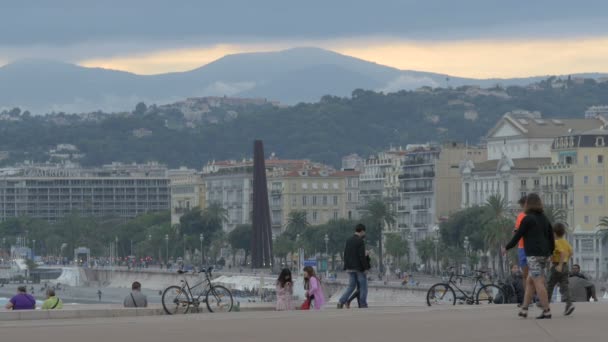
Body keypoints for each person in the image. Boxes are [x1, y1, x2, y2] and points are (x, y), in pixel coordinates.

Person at [505, 193, 554, 319]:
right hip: (543, 254)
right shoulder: (544, 218)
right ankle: (524, 309)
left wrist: (506, 247)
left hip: (533, 255)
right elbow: (551, 237)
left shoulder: (527, 219)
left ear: (527, 204)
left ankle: (547, 310)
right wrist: (551, 252)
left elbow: (518, 235)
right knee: (530, 281)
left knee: (538, 282)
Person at [337, 224, 370, 309]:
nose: (364, 234)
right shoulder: (360, 241)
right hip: (359, 268)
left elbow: (346, 254)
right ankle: (363, 304)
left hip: (350, 267)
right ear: (362, 231)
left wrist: (346, 266)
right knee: (363, 286)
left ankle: (341, 301)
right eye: (364, 232)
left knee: (351, 286)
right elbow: (361, 256)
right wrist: (366, 268)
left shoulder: (348, 240)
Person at [546, 222, 575, 315]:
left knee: (550, 285)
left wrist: (559, 265)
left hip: (557, 265)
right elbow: (570, 253)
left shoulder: (556, 242)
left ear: (554, 233)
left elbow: (562, 253)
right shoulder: (565, 242)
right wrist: (566, 262)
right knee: (564, 286)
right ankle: (569, 304)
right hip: (565, 266)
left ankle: (544, 303)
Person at [514, 196, 529, 286]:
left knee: (531, 275)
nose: (522, 207)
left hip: (529, 248)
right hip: (522, 247)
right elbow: (517, 229)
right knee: (525, 274)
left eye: (522, 205)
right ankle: (527, 296)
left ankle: (533, 296)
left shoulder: (534, 215)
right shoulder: (520, 216)